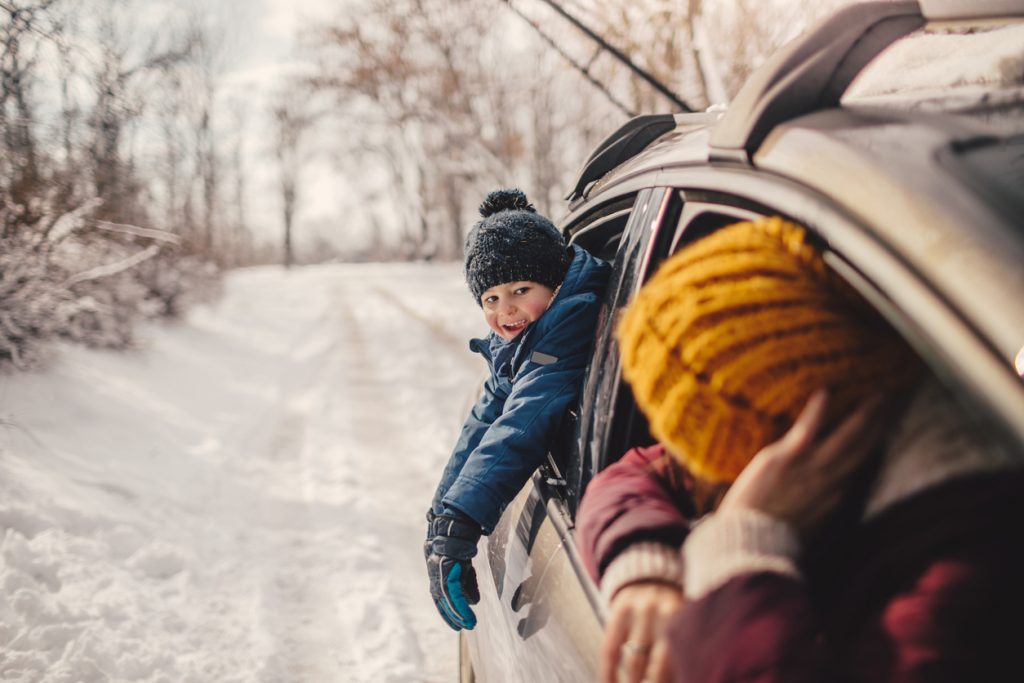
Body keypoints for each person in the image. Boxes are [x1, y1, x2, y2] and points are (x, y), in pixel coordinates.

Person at [576, 216, 1024, 682]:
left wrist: (740, 555)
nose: (668, 448)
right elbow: (640, 473)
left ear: (789, 439)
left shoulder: (964, 576)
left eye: (682, 433)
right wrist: (643, 562)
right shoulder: (834, 436)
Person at [425, 188, 610, 631]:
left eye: (520, 290)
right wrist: (442, 520)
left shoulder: (563, 335)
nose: (504, 310)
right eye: (490, 298)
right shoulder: (522, 341)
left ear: (556, 282)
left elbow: (519, 424)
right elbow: (485, 419)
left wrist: (461, 520)